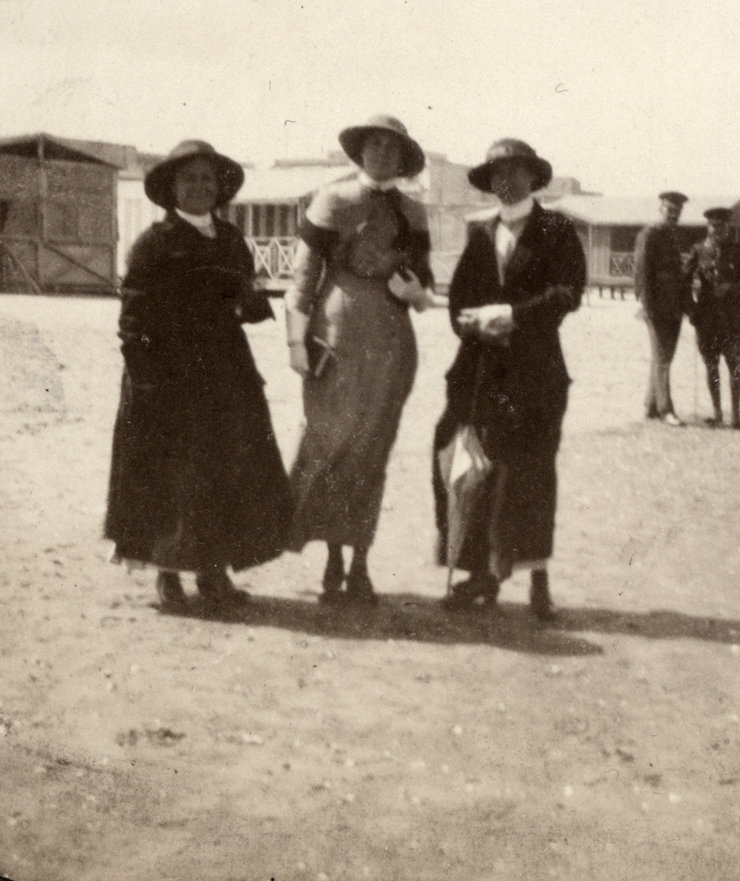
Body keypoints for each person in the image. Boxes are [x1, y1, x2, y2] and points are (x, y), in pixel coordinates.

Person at [105, 139, 292, 609]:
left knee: (223, 471)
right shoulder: (154, 243)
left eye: (207, 178)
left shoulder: (229, 239)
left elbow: (241, 297)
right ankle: (168, 577)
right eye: (188, 178)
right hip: (168, 376)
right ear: (171, 188)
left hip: (225, 373)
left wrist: (250, 303)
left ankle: (214, 576)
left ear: (219, 187)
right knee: (172, 475)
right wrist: (147, 383)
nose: (199, 187)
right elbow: (133, 320)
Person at [432, 138, 587, 621]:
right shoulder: (482, 235)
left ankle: (538, 580)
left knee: (533, 471)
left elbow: (567, 294)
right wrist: (472, 321)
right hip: (479, 374)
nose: (504, 181)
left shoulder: (556, 230)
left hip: (535, 372)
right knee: (467, 465)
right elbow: (457, 301)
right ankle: (481, 573)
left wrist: (511, 316)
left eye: (513, 172)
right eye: (495, 173)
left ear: (532, 177)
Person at [284, 114, 436, 605]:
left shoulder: (415, 212)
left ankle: (361, 563)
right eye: (375, 145)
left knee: (374, 450)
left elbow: (425, 280)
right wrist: (295, 342)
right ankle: (331, 557)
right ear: (360, 151)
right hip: (337, 332)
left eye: (393, 148)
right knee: (332, 444)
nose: (383, 154)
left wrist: (417, 291)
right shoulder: (333, 198)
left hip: (392, 341)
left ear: (404, 157)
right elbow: (304, 275)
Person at [688, 207, 740, 428]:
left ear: (728, 228)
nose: (717, 230)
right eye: (713, 225)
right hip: (707, 319)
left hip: (733, 319)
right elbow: (684, 280)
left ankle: (736, 416)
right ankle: (718, 414)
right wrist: (691, 308)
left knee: (735, 366)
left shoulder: (738, 252)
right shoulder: (698, 251)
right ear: (707, 226)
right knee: (711, 367)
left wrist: (731, 288)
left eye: (722, 226)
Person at [633, 190, 692, 425]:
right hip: (656, 306)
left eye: (677, 212)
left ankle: (650, 406)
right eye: (669, 210)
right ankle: (666, 409)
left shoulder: (673, 236)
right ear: (661, 209)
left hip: (674, 306)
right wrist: (647, 305)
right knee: (662, 357)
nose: (673, 216)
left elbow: (679, 274)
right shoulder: (649, 234)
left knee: (664, 356)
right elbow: (642, 272)